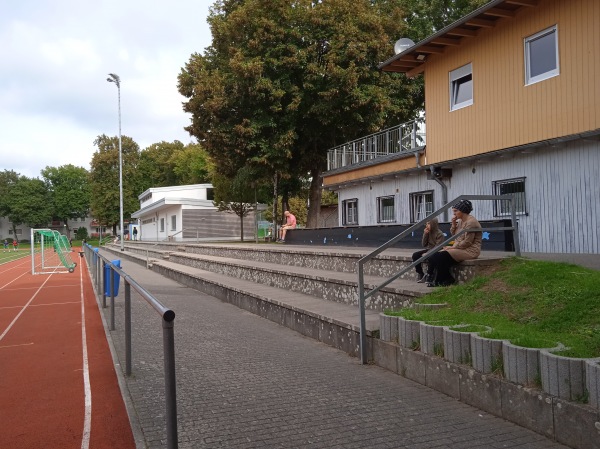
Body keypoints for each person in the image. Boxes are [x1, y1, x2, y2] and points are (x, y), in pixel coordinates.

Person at [424, 199, 482, 287]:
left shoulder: (471, 222)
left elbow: (468, 242)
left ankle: (442, 280)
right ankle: (445, 278)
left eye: (456, 211)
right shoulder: (461, 221)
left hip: (470, 250)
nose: (454, 214)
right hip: (459, 248)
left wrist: (452, 248)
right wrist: (454, 223)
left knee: (440, 256)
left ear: (463, 211)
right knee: (433, 256)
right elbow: (454, 234)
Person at [412, 218, 444, 282]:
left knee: (431, 257)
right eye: (426, 224)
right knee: (415, 255)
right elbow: (424, 244)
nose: (427, 225)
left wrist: (428, 253)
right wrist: (425, 234)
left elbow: (438, 247)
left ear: (433, 224)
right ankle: (420, 273)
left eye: (429, 223)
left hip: (437, 251)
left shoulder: (439, 233)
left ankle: (429, 275)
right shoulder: (428, 232)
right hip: (429, 249)